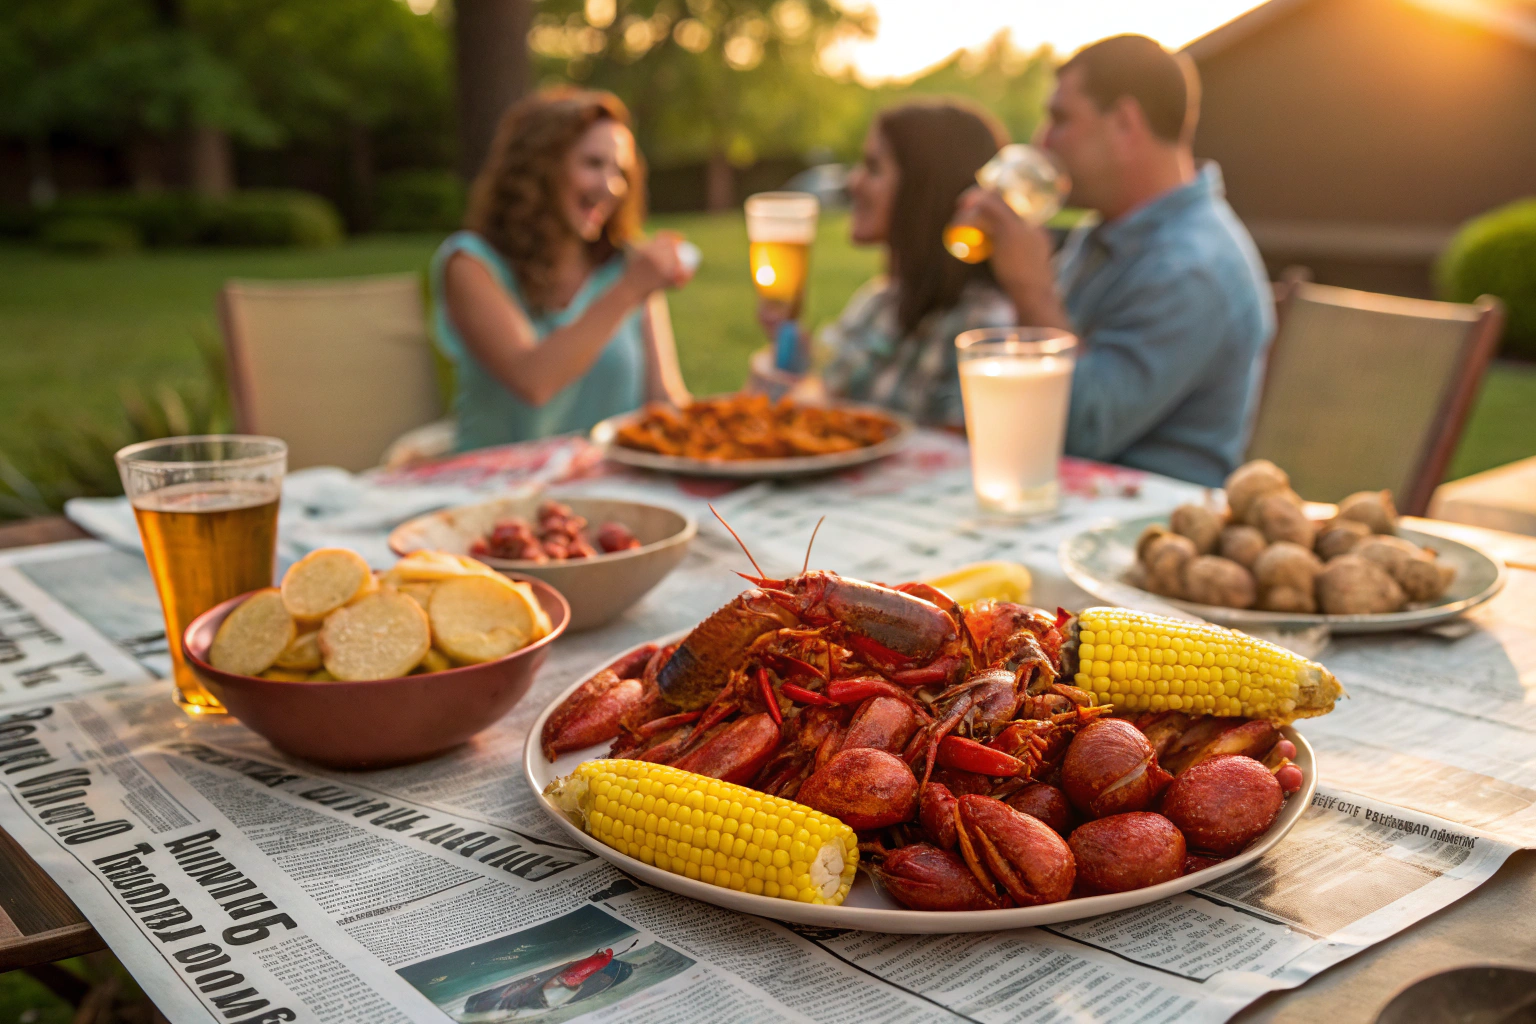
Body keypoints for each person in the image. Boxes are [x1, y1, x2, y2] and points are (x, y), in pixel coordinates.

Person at [956, 35, 1272, 486]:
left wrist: (1032, 289)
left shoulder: (1191, 267)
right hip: (1075, 502)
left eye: (1060, 119)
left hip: (1149, 527)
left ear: (1125, 124)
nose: (1043, 140)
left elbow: (1080, 430)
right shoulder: (1110, 233)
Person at [432, 89, 692, 452]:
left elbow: (666, 405)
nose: (611, 187)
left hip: (609, 493)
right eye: (593, 164)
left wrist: (770, 385)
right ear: (540, 167)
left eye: (620, 171)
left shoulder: (626, 267)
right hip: (497, 494)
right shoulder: (470, 265)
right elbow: (533, 381)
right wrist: (629, 291)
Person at [763, 101, 1017, 428]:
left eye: (873, 167)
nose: (853, 182)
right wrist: (785, 344)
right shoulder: (879, 302)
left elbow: (969, 451)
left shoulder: (981, 325)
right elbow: (814, 407)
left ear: (924, 188)